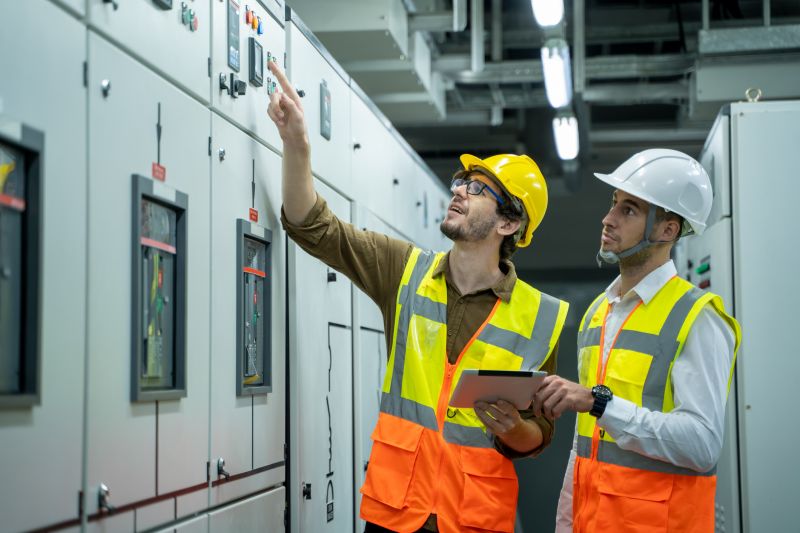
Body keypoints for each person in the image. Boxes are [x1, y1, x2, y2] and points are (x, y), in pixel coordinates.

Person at [266, 60, 568, 533]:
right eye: (461, 182)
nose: (460, 192)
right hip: (396, 512)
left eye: (479, 189)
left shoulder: (539, 316)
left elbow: (540, 436)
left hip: (473, 521)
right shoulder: (405, 270)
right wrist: (297, 145)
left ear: (509, 223)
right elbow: (314, 227)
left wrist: (514, 428)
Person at [533, 149, 742, 532]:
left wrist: (599, 403)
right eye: (614, 203)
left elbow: (702, 445)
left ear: (668, 231)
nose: (608, 218)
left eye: (628, 210)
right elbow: (584, 446)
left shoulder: (698, 317)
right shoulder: (599, 312)